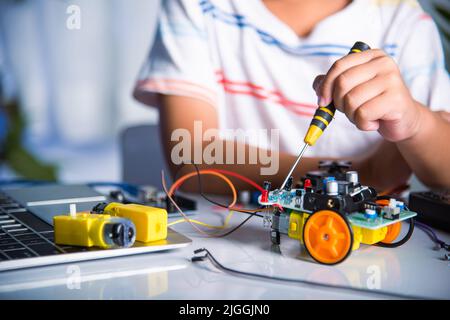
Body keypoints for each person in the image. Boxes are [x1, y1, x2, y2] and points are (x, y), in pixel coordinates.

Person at [134, 0, 450, 193]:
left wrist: (415, 124)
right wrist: (363, 174)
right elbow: (191, 158)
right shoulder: (200, 5)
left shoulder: (404, 22)